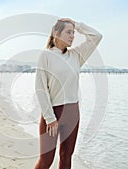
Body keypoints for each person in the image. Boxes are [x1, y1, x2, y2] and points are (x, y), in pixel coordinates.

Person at [34, 18, 102, 169]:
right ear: (56, 33)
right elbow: (40, 89)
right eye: (68, 32)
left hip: (72, 114)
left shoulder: (76, 56)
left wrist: (77, 25)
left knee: (66, 158)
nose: (72, 36)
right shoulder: (45, 55)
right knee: (46, 161)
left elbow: (97, 36)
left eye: (73, 33)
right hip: (52, 115)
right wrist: (50, 118)